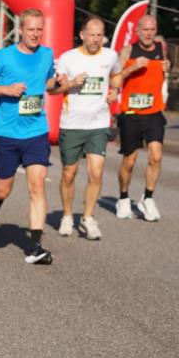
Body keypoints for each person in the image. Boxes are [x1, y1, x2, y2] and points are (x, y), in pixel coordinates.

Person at [0, 8, 70, 265]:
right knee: (4, 187)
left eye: (39, 29)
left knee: (37, 184)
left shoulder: (47, 54)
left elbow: (46, 83)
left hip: (36, 130)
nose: (36, 34)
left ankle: (35, 246)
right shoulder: (4, 57)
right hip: (7, 133)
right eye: (31, 29)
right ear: (20, 30)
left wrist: (58, 81)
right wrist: (4, 89)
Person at [54, 16, 123, 241]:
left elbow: (116, 76)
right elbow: (55, 89)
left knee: (96, 172)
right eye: (92, 34)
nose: (96, 39)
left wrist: (115, 91)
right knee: (69, 173)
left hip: (99, 123)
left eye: (100, 35)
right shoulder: (67, 58)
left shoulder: (110, 55)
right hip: (72, 124)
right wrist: (71, 83)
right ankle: (66, 215)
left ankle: (88, 217)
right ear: (82, 35)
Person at [115, 14, 170, 222]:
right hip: (131, 114)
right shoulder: (128, 51)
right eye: (145, 30)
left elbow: (162, 74)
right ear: (137, 31)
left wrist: (167, 69)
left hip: (154, 112)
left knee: (156, 155)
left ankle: (147, 198)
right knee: (129, 161)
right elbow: (116, 79)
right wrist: (132, 67)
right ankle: (123, 197)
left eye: (152, 29)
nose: (148, 33)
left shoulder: (160, 48)